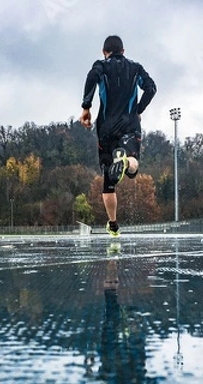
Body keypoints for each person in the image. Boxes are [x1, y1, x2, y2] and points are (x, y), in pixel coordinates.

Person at [80, 35, 157, 237]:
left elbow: (91, 78)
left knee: (108, 182)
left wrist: (86, 107)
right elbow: (151, 88)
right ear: (123, 51)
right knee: (133, 166)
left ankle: (113, 224)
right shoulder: (136, 67)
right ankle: (125, 161)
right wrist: (139, 109)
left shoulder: (101, 65)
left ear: (105, 52)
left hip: (105, 128)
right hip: (130, 124)